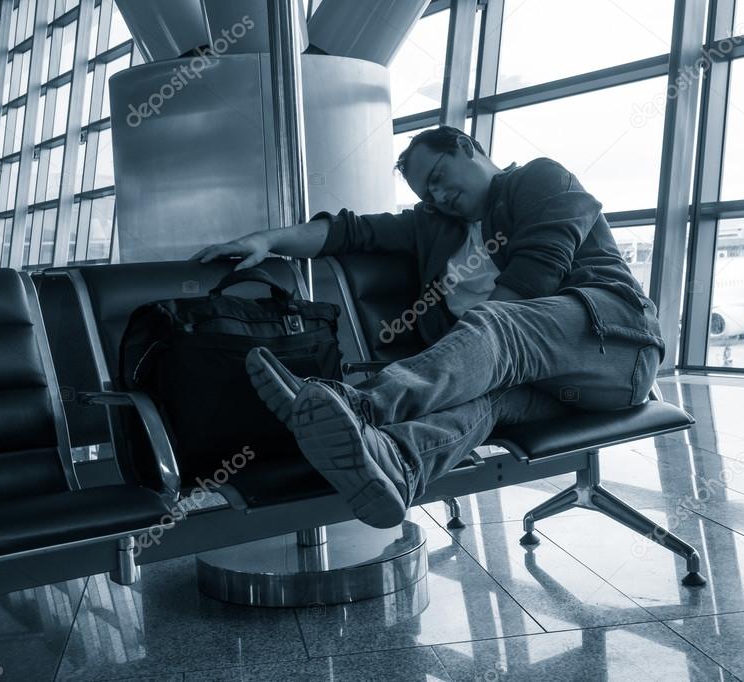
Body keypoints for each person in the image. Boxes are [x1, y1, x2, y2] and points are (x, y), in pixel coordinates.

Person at [193, 126, 664, 529]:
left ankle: (361, 407)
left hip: (617, 345)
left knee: (499, 324)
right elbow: (350, 231)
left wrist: (466, 356)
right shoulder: (435, 227)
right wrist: (267, 239)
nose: (438, 197)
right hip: (543, 385)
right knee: (487, 402)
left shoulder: (540, 178)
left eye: (438, 178)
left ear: (464, 145)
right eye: (427, 193)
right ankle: (399, 463)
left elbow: (536, 276)